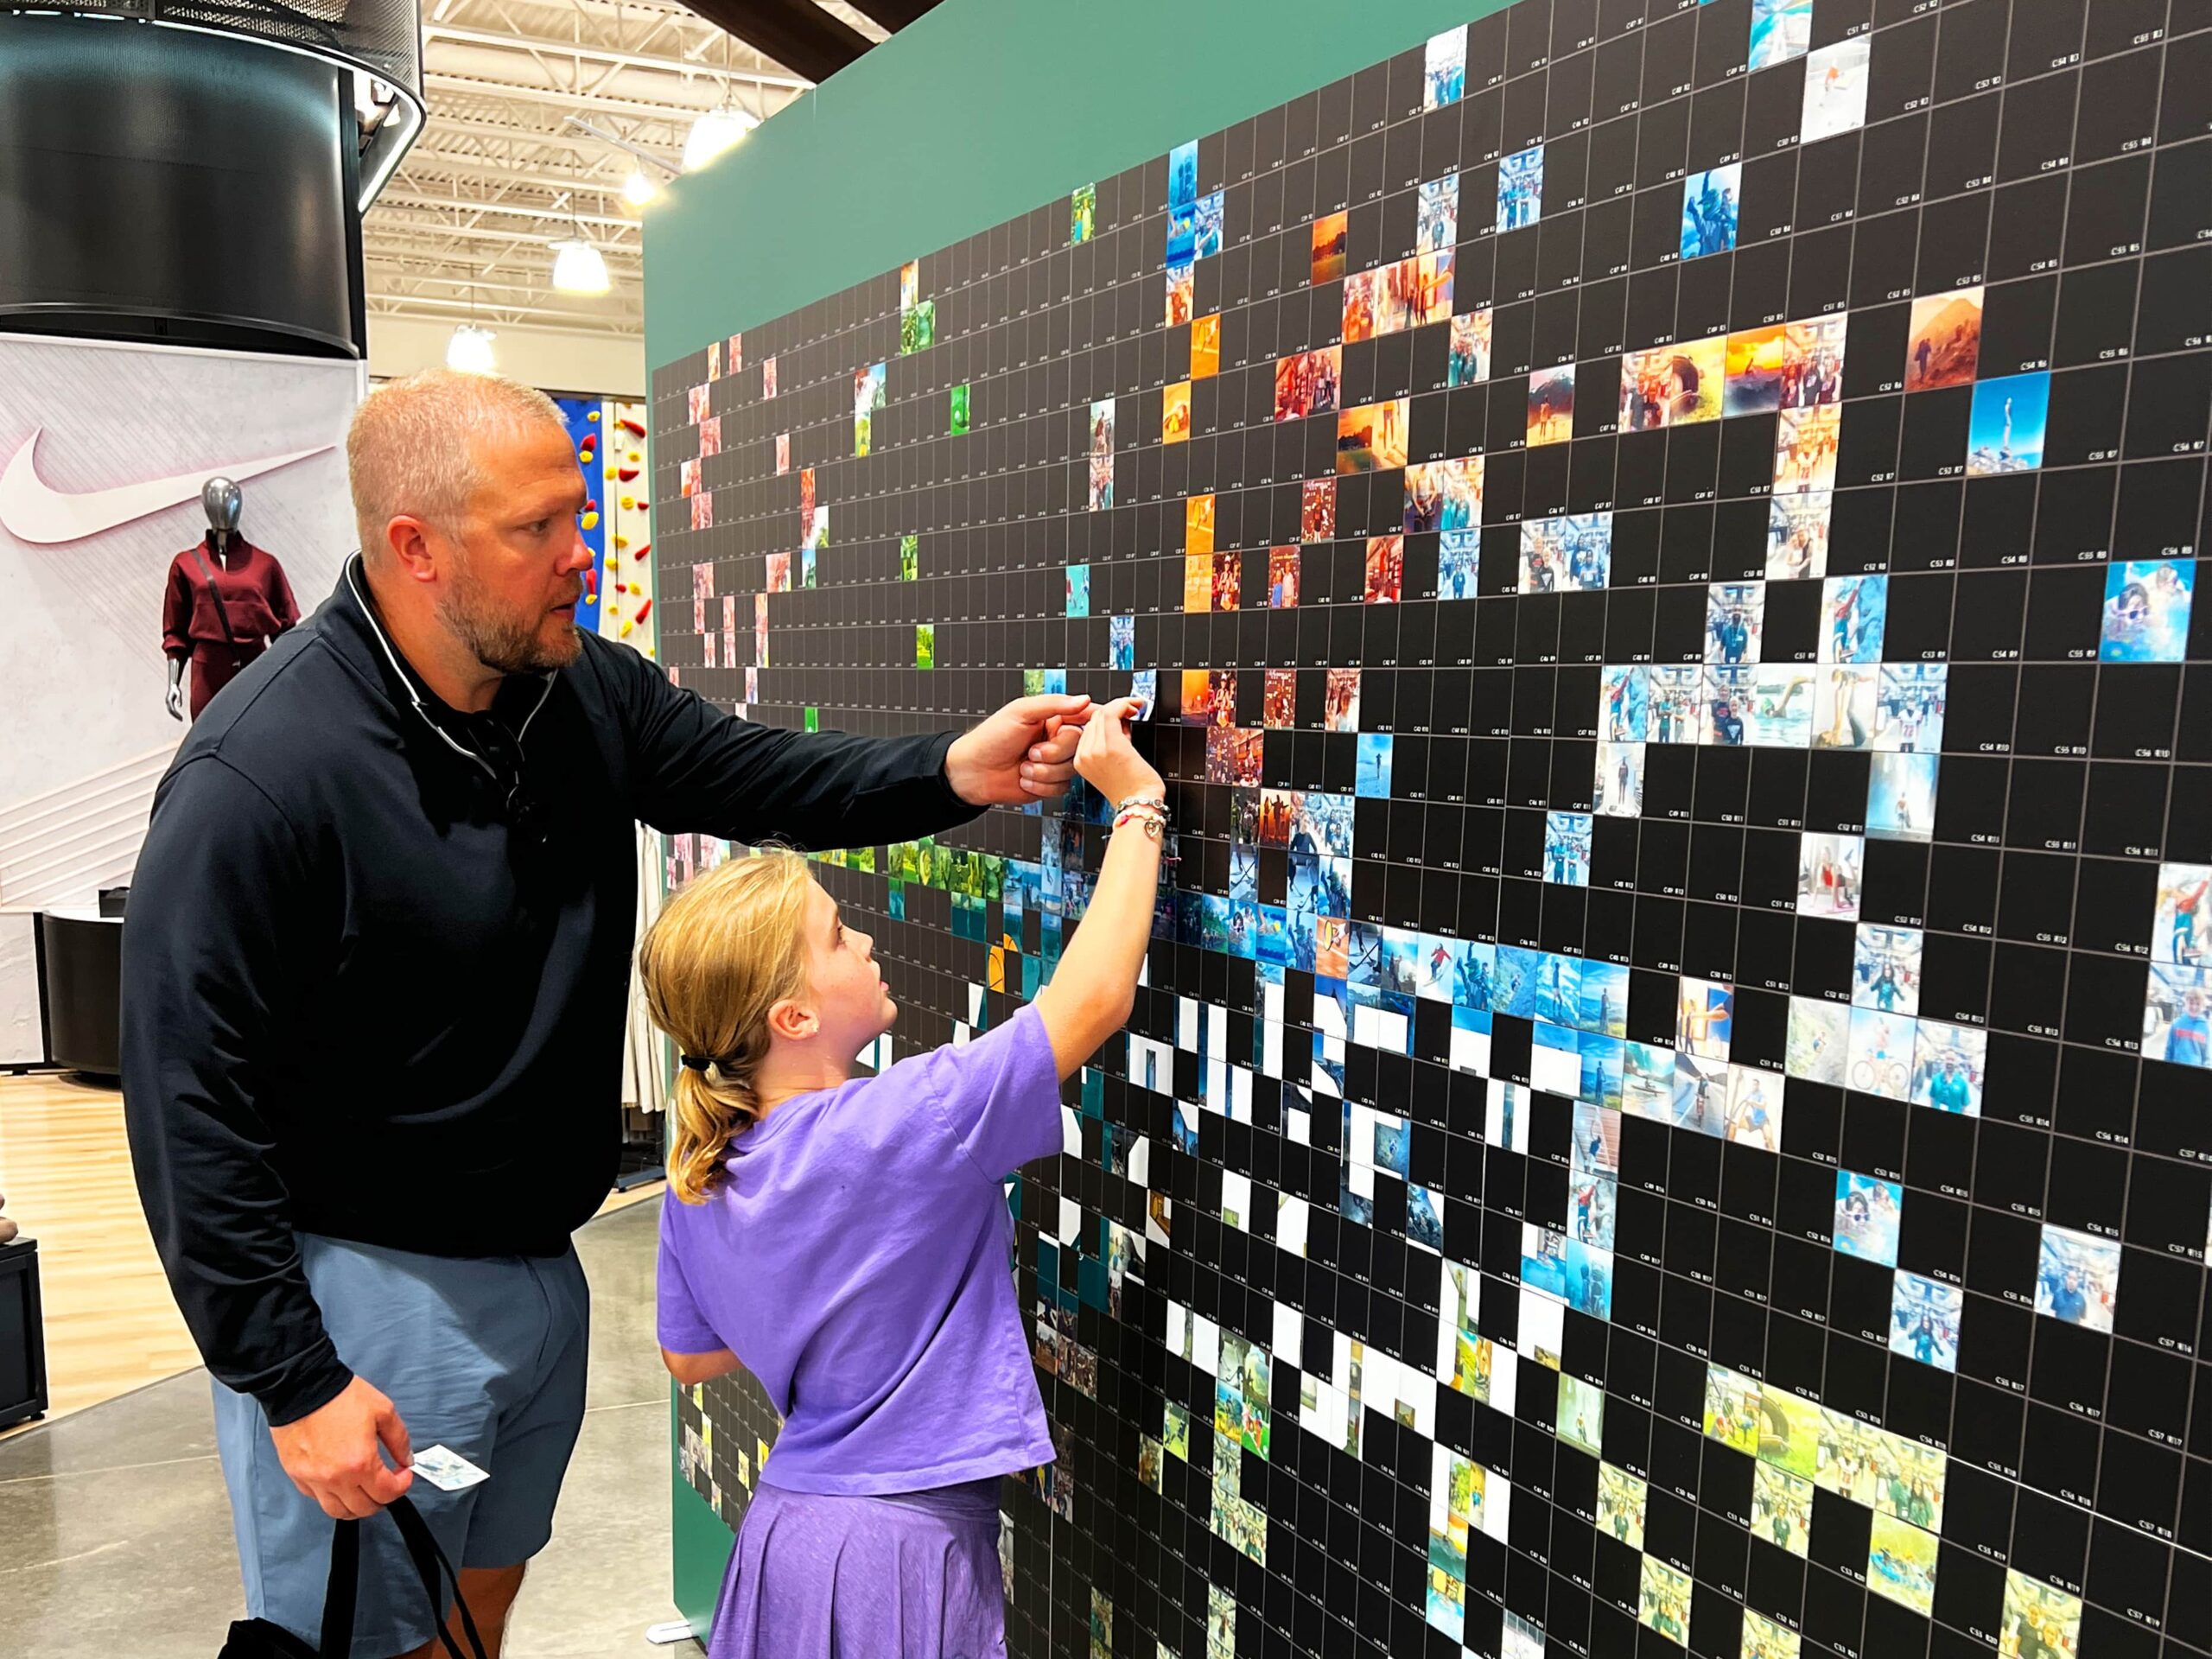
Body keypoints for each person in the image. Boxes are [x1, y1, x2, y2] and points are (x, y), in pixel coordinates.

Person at [120, 371, 1088, 1659]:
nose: (581, 557)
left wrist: (948, 769)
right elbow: (187, 1099)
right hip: (365, 1289)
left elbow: (762, 773)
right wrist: (294, 1379)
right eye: (541, 531)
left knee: (476, 1620)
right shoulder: (262, 777)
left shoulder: (578, 693)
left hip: (539, 1270)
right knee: (367, 1640)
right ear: (417, 547)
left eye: (579, 515)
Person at [641, 697, 1166, 1658]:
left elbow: (691, 1356)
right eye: (839, 938)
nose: (868, 942)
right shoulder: (904, 1120)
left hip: (786, 1537)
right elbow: (1092, 998)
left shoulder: (698, 1172)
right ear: (793, 1019)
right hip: (900, 1552)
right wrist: (1137, 806)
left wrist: (830, 1304)